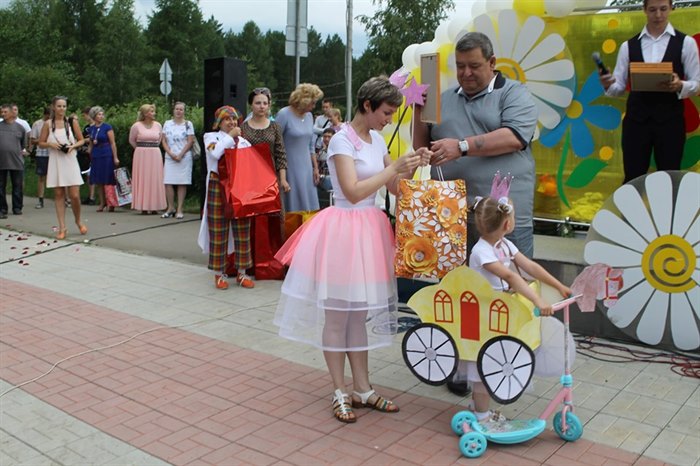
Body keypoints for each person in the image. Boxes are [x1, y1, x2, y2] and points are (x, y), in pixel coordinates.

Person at [273, 76, 430, 423]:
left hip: (369, 231)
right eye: (385, 112)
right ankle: (339, 390)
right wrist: (393, 167)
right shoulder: (341, 140)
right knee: (337, 315)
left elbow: (394, 187)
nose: (388, 119)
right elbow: (353, 191)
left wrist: (411, 166)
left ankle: (363, 388)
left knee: (358, 313)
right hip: (343, 231)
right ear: (367, 106)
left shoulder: (377, 139)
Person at [413, 32, 538, 260]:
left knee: (507, 281)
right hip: (450, 215)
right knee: (454, 282)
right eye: (460, 66)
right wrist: (418, 109)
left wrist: (461, 147)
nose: (466, 73)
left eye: (474, 66)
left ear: (492, 62)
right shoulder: (443, 98)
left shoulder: (514, 93)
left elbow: (514, 137)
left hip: (502, 219)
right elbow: (422, 148)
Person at [464, 191, 571, 423]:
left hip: (498, 312)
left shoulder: (504, 245)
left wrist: (559, 285)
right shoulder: (481, 252)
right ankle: (481, 416)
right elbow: (511, 277)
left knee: (493, 359)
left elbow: (530, 267)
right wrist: (538, 301)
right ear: (507, 223)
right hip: (483, 316)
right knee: (484, 364)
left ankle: (478, 408)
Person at [599, 0, 700, 184]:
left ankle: (667, 205)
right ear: (645, 9)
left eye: (663, 9)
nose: (658, 15)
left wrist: (680, 85)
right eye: (653, 10)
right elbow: (618, 88)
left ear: (671, 8)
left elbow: (697, 83)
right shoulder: (628, 46)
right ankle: (631, 205)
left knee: (669, 178)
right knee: (633, 178)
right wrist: (607, 84)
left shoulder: (686, 43)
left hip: (670, 121)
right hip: (636, 122)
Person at [197, 106, 255, 290]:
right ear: (219, 122)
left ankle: (242, 272)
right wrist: (230, 136)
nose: (232, 122)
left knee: (242, 229)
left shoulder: (244, 142)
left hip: (239, 186)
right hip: (218, 185)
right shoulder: (211, 137)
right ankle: (219, 273)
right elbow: (215, 153)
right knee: (218, 229)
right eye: (227, 119)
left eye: (234, 119)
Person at [38, 96, 88, 239]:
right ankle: (62, 227)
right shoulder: (48, 124)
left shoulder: (71, 122)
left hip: (70, 160)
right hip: (56, 160)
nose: (62, 109)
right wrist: (50, 144)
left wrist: (73, 146)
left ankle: (78, 220)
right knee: (59, 194)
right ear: (53, 107)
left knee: (74, 195)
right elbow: (41, 142)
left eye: (64, 106)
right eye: (59, 106)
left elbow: (82, 140)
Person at [275, 83, 323, 212]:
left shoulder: (309, 116)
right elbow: (275, 142)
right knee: (293, 206)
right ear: (304, 101)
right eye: (313, 103)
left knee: (310, 207)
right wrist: (281, 173)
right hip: (289, 168)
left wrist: (315, 168)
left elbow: (310, 145)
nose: (314, 106)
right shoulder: (284, 114)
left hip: (307, 168)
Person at [129, 104, 166, 214]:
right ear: (145, 114)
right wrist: (140, 149)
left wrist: (151, 148)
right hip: (141, 155)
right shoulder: (136, 126)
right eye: (151, 111)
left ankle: (155, 206)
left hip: (155, 154)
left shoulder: (158, 125)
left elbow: (159, 139)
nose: (154, 113)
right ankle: (143, 206)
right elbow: (131, 140)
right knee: (143, 178)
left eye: (154, 111)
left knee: (155, 178)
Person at [161, 101, 195, 219]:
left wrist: (180, 154)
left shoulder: (188, 124)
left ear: (184, 111)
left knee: (182, 182)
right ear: (173, 110)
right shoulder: (167, 123)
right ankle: (170, 207)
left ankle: (180, 209)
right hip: (170, 157)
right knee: (168, 182)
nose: (179, 111)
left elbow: (190, 141)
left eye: (181, 109)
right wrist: (170, 153)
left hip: (184, 157)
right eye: (177, 109)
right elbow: (163, 140)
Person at [87, 106, 119, 212]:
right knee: (99, 179)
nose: (101, 116)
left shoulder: (107, 127)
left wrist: (115, 157)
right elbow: (91, 143)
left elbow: (112, 143)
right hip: (96, 155)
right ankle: (102, 202)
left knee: (108, 178)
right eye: (99, 114)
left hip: (106, 153)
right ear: (94, 116)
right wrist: (89, 152)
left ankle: (111, 202)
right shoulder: (91, 129)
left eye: (102, 114)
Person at [0, 103, 27, 219]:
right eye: (2, 112)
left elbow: (23, 144)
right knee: (1, 186)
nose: (3, 114)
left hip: (16, 162)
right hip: (1, 162)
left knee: (17, 185)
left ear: (11, 112)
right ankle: (2, 208)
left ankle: (17, 207)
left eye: (5, 112)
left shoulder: (20, 128)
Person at [30, 108, 51, 209]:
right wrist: (43, 140)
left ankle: (64, 199)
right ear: (45, 115)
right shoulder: (37, 124)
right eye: (49, 115)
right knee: (42, 177)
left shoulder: (55, 123)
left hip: (54, 153)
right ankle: (40, 200)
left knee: (58, 177)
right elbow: (33, 140)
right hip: (42, 153)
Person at [79, 107, 96, 205]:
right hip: (85, 153)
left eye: (84, 115)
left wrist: (84, 140)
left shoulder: (95, 127)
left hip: (93, 152)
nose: (84, 117)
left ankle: (92, 197)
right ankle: (89, 196)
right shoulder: (86, 127)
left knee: (91, 174)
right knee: (87, 174)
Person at [315, 127, 335, 207]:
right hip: (321, 178)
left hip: (331, 179)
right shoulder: (320, 151)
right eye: (325, 136)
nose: (326, 139)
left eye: (329, 137)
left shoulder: (337, 151)